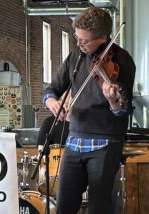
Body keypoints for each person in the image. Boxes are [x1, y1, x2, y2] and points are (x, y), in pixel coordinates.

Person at [43, 7, 135, 214]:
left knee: (98, 208)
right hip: (74, 140)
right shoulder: (76, 57)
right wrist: (53, 103)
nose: (79, 44)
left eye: (84, 41)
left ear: (103, 38)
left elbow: (123, 112)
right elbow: (50, 90)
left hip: (105, 142)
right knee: (63, 207)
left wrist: (113, 101)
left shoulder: (122, 60)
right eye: (77, 38)